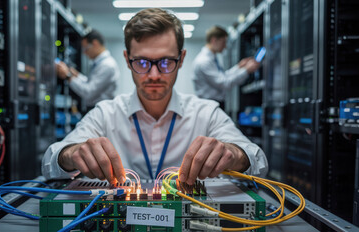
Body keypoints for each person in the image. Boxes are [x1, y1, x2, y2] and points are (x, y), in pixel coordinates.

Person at [42, 8, 268, 185]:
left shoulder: (206, 113)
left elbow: (258, 160)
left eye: (166, 62)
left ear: (181, 59)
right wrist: (70, 154)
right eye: (141, 62)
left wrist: (235, 154)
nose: (153, 75)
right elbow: (50, 161)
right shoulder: (106, 113)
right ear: (126, 58)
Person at [192, 26, 260, 108]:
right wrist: (246, 70)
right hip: (209, 105)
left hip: (211, 104)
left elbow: (222, 76)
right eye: (223, 42)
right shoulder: (204, 61)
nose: (225, 46)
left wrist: (239, 67)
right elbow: (224, 83)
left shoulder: (211, 59)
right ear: (214, 40)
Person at [56, 29, 120, 113]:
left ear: (95, 44)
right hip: (98, 110)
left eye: (86, 49)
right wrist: (77, 75)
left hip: (101, 111)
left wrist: (67, 76)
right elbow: (90, 83)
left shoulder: (107, 65)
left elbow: (89, 93)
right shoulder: (101, 63)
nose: (84, 53)